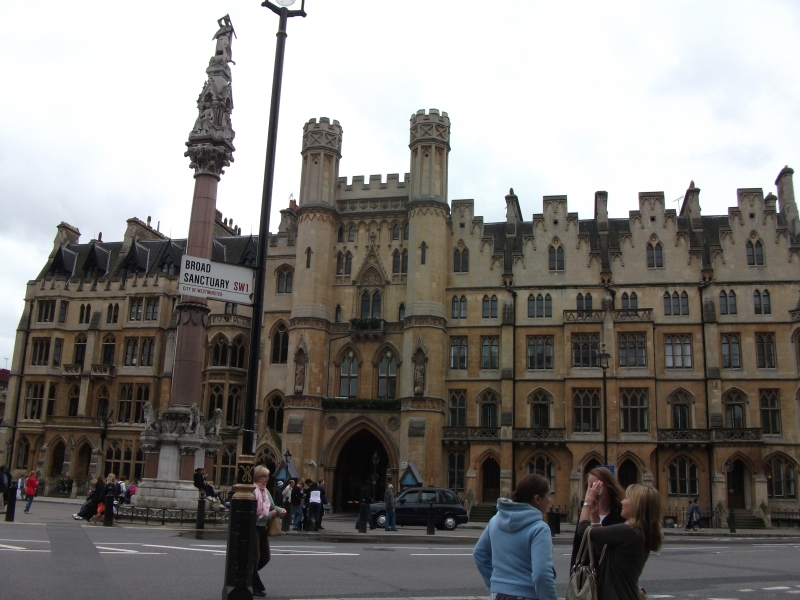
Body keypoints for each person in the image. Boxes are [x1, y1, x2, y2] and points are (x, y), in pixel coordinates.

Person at [473, 473, 558, 600]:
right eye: (548, 495)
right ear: (537, 499)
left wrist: (496, 584)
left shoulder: (495, 521)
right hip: (527, 594)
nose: (550, 500)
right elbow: (542, 575)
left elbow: (479, 554)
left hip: (498, 594)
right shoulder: (540, 529)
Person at [575, 483, 663, 600]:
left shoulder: (628, 532)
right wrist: (595, 517)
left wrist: (587, 502)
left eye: (627, 498)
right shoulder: (637, 532)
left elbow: (582, 531)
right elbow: (602, 552)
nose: (622, 502)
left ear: (636, 505)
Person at [570, 467, 626, 568]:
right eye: (590, 486)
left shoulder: (619, 513)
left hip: (607, 573)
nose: (594, 491)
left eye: (598, 486)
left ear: (609, 487)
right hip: (585, 574)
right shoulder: (585, 509)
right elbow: (578, 545)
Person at [253, 465, 286, 597]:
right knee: (255, 558)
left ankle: (247, 576)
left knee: (265, 557)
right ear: (257, 477)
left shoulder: (265, 492)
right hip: (253, 528)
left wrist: (280, 511)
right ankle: (254, 584)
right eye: (264, 476)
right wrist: (270, 515)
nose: (267, 479)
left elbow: (272, 506)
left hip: (262, 528)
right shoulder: (252, 491)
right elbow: (253, 513)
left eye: (268, 476)